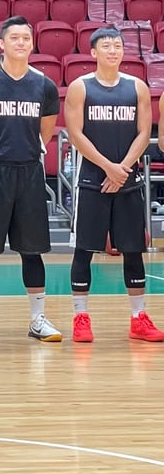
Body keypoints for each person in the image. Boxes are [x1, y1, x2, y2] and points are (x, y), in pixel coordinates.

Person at [65, 27, 163, 343]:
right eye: (106, 46)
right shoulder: (81, 87)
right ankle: (81, 317)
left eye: (118, 45)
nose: (113, 50)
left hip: (127, 179)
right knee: (84, 250)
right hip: (92, 179)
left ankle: (139, 318)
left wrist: (122, 169)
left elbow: (144, 132)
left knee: (133, 250)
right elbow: (75, 134)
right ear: (93, 52)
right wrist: (109, 168)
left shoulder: (137, 88)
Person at [0, 16, 61, 343]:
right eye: (15, 38)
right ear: (1, 44)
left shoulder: (45, 85)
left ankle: (37, 319)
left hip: (29, 171)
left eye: (26, 37)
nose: (21, 43)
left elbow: (45, 133)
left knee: (32, 250)